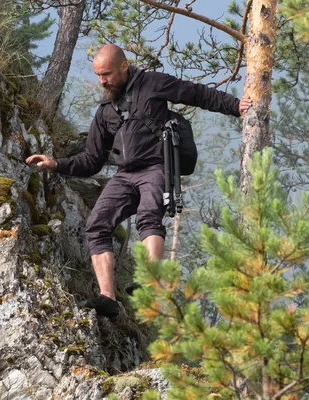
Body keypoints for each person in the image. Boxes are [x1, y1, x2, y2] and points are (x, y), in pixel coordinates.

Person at [26, 44, 252, 317]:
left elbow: (196, 93)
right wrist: (56, 164)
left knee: (148, 216)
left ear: (124, 67)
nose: (102, 81)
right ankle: (107, 297)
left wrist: (235, 106)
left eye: (107, 74)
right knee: (96, 224)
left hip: (156, 168)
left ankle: (150, 283)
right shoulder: (105, 112)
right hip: (124, 175)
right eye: (98, 75)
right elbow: (91, 160)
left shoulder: (153, 83)